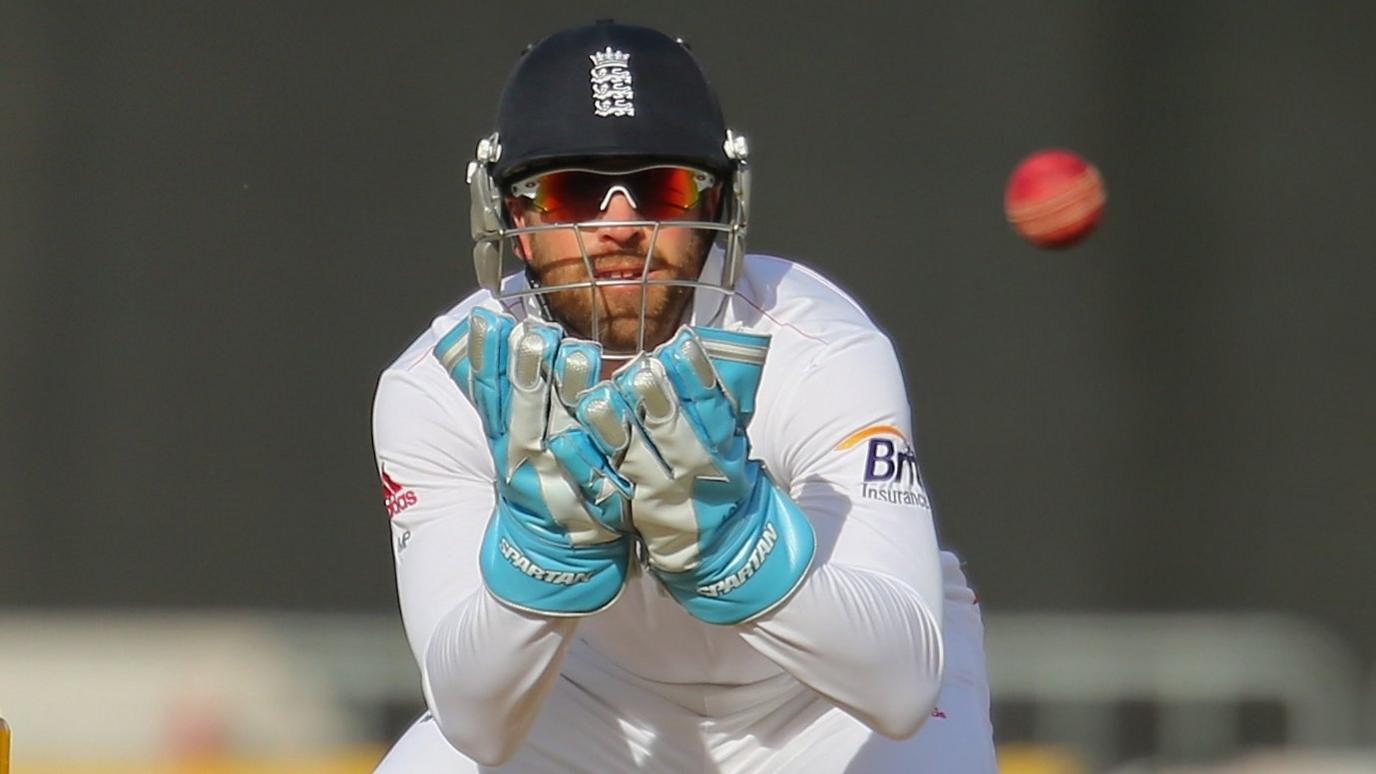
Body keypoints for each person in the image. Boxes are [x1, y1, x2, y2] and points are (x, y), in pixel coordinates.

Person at [372, 20, 996, 773]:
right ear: (515, 217)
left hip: (817, 702)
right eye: (571, 191)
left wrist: (737, 544)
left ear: (718, 201)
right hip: (590, 703)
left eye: (660, 187)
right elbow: (477, 726)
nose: (620, 227)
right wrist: (539, 559)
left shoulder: (815, 344)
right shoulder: (444, 383)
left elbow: (899, 689)